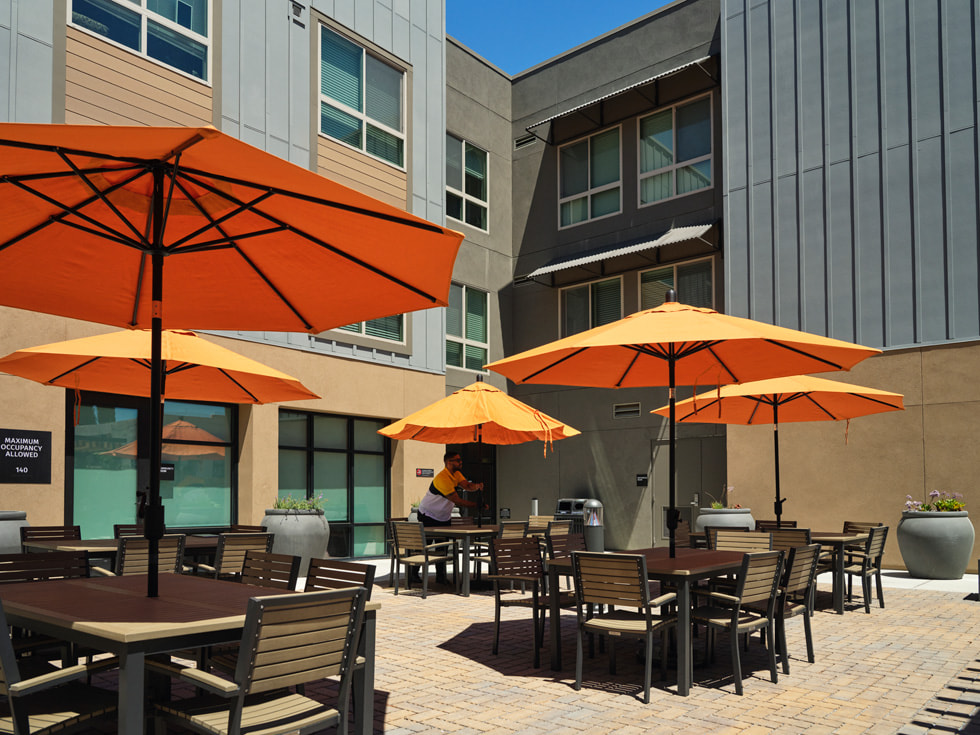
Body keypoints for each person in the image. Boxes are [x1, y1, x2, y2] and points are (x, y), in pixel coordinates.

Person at [413, 451, 484, 584]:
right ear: (448, 462)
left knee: (443, 547)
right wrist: (476, 505)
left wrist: (476, 486)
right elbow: (456, 500)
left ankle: (440, 577)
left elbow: (467, 486)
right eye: (457, 460)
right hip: (428, 515)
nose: (460, 462)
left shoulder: (456, 474)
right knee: (425, 544)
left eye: (460, 459)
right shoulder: (442, 478)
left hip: (443, 516)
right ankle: (413, 574)